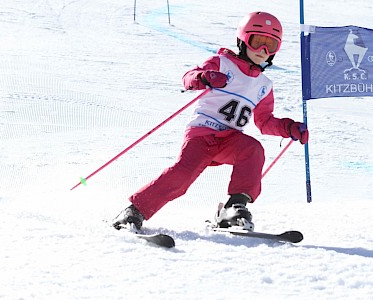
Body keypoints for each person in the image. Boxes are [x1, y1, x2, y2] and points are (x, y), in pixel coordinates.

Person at [112, 11, 309, 232]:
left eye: (270, 46)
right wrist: (204, 77)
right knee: (182, 177)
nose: (263, 51)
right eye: (257, 42)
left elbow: (264, 122)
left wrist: (289, 128)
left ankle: (234, 208)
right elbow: (189, 77)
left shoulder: (264, 85)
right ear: (243, 40)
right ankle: (134, 211)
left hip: (230, 140)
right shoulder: (222, 63)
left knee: (253, 150)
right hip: (202, 134)